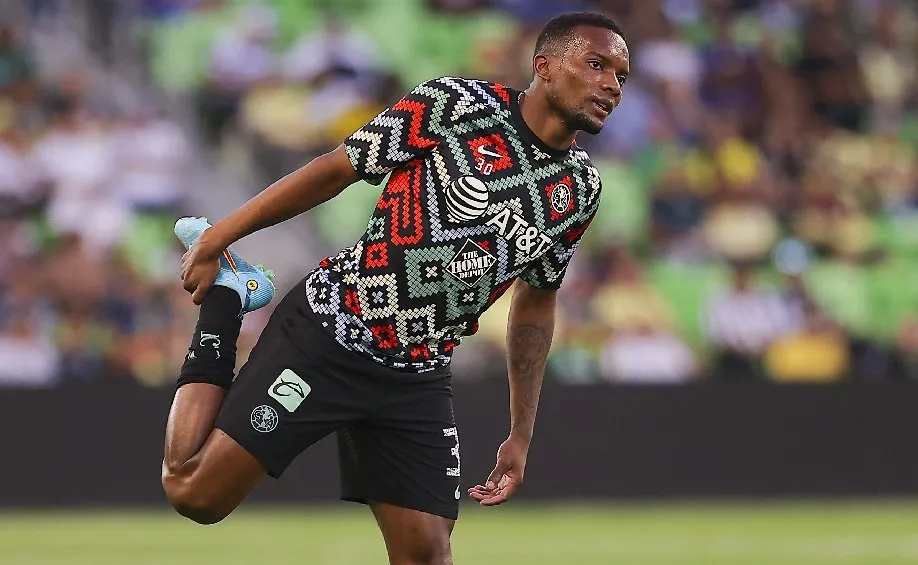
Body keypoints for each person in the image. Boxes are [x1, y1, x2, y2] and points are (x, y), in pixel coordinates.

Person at [161, 11, 629, 564]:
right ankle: (227, 301)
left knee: (427, 556)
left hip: (416, 376)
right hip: (333, 331)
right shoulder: (459, 105)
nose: (610, 85)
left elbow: (535, 304)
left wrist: (519, 432)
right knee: (194, 493)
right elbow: (338, 168)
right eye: (596, 65)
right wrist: (222, 234)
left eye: (621, 76)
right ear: (545, 66)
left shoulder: (580, 190)